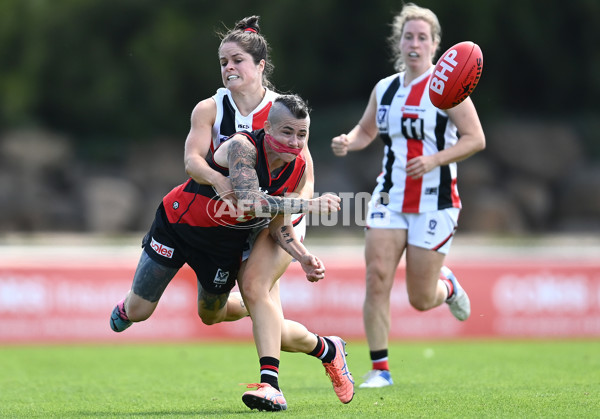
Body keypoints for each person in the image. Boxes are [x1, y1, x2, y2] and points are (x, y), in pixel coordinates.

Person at [111, 94, 353, 410]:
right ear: (267, 128)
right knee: (141, 310)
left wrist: (302, 255)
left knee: (211, 316)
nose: (294, 142)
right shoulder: (243, 147)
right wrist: (307, 205)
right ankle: (130, 307)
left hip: (223, 246)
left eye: (301, 135)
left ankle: (308, 358)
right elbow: (249, 201)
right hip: (176, 226)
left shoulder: (296, 167)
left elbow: (279, 225)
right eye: (287, 132)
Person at [184, 16, 354, 410]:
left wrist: (294, 210)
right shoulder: (211, 108)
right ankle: (328, 349)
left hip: (279, 217)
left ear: (260, 66)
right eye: (223, 60)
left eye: (237, 60)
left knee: (257, 287)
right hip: (234, 219)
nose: (228, 67)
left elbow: (306, 177)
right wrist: (220, 182)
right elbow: (192, 161)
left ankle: (270, 386)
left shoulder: (281, 112)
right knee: (215, 314)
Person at [331, 3, 485, 389]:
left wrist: (435, 159)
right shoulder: (386, 88)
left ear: (435, 45)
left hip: (435, 201)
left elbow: (475, 139)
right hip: (388, 197)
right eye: (408, 36)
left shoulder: (450, 89)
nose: (414, 43)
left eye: (422, 37)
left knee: (420, 297)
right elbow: (367, 131)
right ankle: (380, 370)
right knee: (377, 276)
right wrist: (349, 140)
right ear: (398, 42)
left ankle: (446, 286)